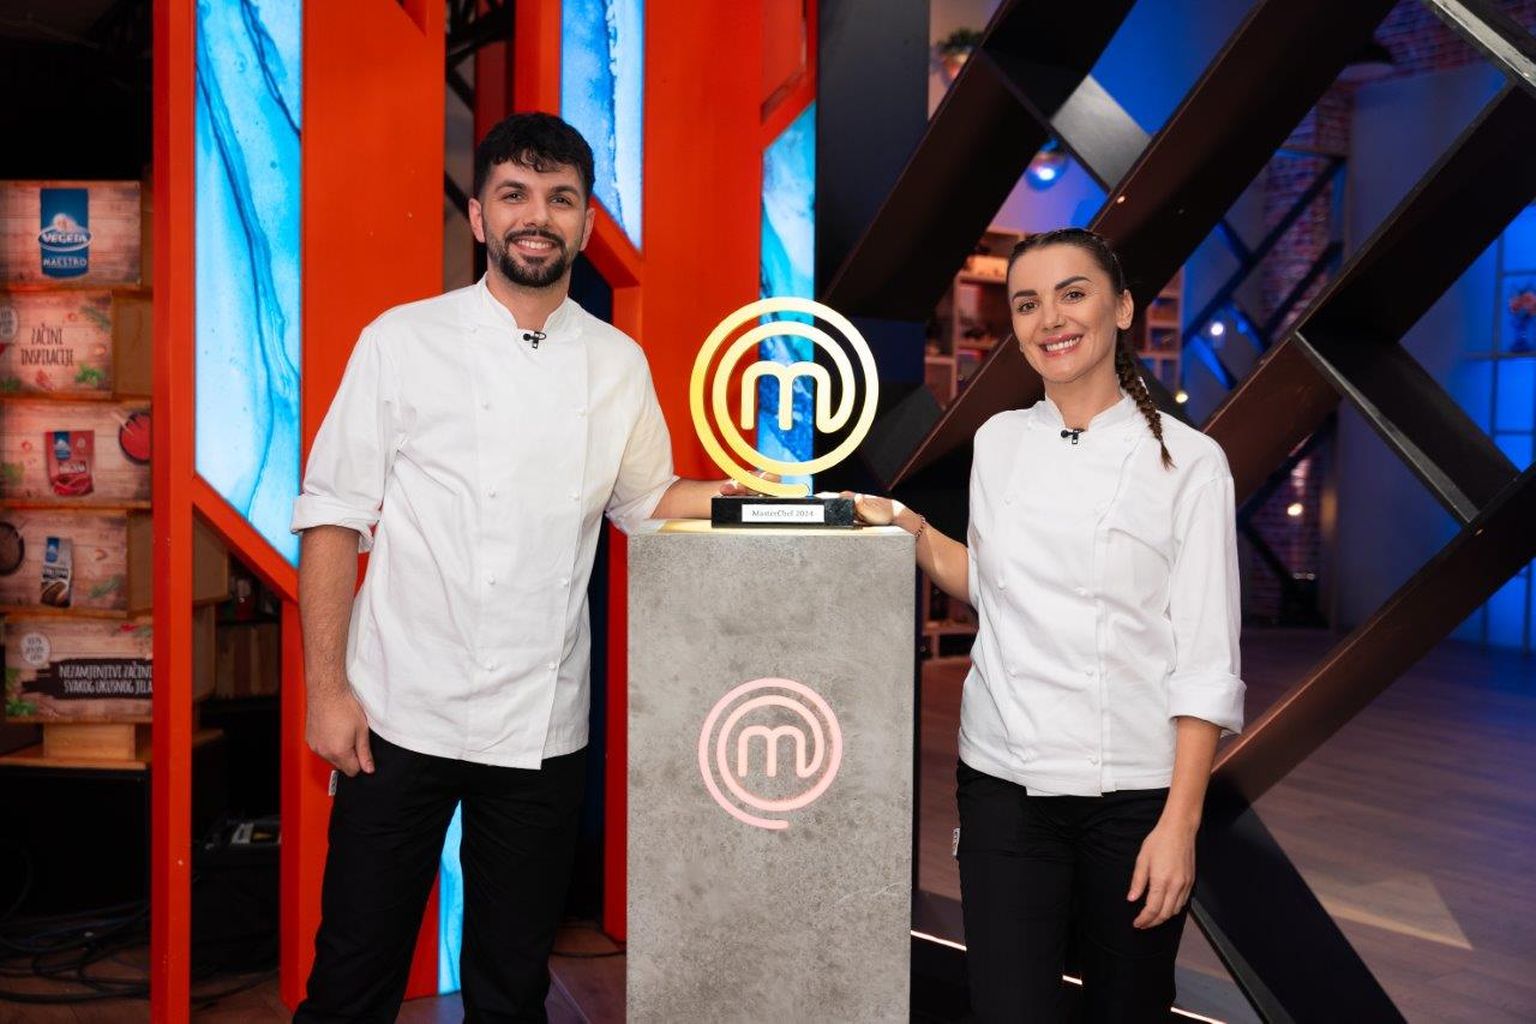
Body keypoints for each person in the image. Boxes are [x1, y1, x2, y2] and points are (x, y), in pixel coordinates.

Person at [290, 112, 746, 1023]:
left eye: (560, 199)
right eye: (515, 195)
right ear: (479, 215)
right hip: (397, 712)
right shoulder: (401, 340)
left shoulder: (617, 362)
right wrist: (326, 689)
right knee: (351, 978)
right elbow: (334, 517)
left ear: (585, 222)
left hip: (540, 726)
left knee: (512, 986)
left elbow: (646, 500)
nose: (538, 216)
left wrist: (757, 495)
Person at [855, 228, 1244, 1022]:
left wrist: (1180, 826)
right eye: (1027, 303)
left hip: (1134, 797)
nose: (1051, 319)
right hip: (1003, 783)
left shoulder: (1191, 462)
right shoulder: (999, 442)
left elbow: (1206, 662)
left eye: (1073, 294)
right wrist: (910, 529)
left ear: (1121, 308)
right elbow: (997, 585)